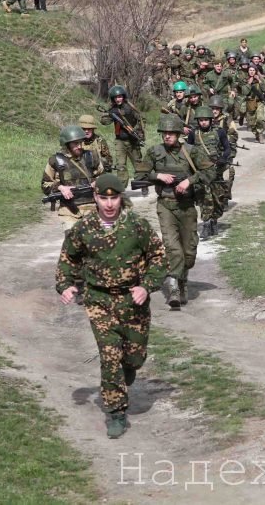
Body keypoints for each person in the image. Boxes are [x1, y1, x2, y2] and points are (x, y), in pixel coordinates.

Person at [55, 173, 168, 439]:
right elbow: (67, 260)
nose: (108, 204)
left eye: (114, 198)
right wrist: (66, 285)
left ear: (121, 198)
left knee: (134, 356)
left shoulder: (137, 226)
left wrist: (147, 286)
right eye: (103, 198)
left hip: (132, 300)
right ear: (94, 198)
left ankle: (129, 367)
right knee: (109, 357)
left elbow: (158, 257)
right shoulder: (83, 228)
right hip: (99, 301)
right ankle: (116, 412)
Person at [134, 115, 215, 308]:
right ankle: (173, 290)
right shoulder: (154, 152)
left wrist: (190, 181)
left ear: (179, 134)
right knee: (173, 248)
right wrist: (157, 176)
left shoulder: (191, 151)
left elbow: (211, 172)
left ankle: (182, 281)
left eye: (171, 133)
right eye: (164, 133)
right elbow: (139, 174)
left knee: (189, 252)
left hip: (187, 207)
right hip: (166, 206)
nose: (167, 136)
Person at [41, 125, 104, 230]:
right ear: (67, 144)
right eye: (75, 143)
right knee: (73, 241)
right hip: (69, 210)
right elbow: (45, 185)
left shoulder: (92, 156)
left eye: (81, 142)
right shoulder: (56, 160)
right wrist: (60, 187)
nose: (79, 146)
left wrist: (98, 182)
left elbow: (104, 177)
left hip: (92, 208)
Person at [187, 106, 231, 239]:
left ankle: (214, 221)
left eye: (206, 120)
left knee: (217, 197)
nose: (203, 122)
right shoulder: (193, 134)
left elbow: (227, 148)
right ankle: (206, 223)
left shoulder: (220, 132)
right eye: (201, 120)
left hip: (216, 171)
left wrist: (223, 159)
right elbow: (188, 152)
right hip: (201, 172)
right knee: (203, 197)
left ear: (211, 120)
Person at [99, 85, 145, 189]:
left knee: (138, 163)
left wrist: (136, 131)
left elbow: (141, 120)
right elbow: (104, 122)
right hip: (120, 140)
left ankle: (143, 184)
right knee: (120, 165)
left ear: (123, 97)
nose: (118, 99)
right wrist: (108, 114)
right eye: (116, 97)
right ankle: (122, 189)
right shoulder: (112, 109)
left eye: (120, 96)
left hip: (132, 140)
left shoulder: (131, 108)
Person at [209, 95, 239, 204]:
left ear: (221, 109)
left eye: (217, 109)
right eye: (212, 108)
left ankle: (225, 196)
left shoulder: (227, 118)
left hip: (225, 151)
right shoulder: (205, 119)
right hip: (210, 152)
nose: (214, 111)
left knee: (227, 176)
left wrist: (225, 142)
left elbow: (234, 134)